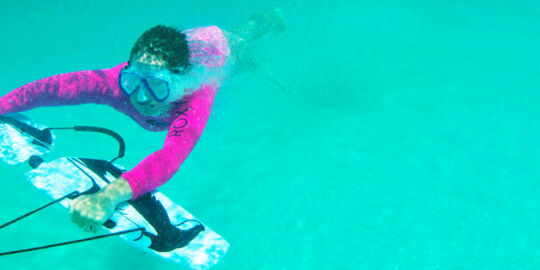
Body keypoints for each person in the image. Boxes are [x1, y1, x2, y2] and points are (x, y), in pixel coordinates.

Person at [0, 9, 286, 233]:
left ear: (180, 81)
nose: (140, 97)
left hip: (220, 48)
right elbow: (55, 88)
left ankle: (267, 23)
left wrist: (108, 197)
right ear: (126, 70)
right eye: (133, 81)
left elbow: (171, 156)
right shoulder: (115, 83)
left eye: (156, 87)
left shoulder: (195, 96)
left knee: (241, 45)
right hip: (188, 46)